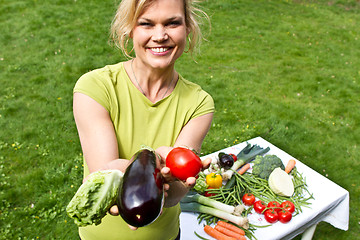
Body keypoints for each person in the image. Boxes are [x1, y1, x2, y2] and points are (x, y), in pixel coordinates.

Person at [72, 0, 214, 239]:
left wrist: (176, 180)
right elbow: (105, 175)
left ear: (188, 28)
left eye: (172, 23)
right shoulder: (95, 87)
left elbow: (175, 197)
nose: (160, 36)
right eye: (146, 24)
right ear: (129, 29)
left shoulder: (199, 104)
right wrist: (156, 163)